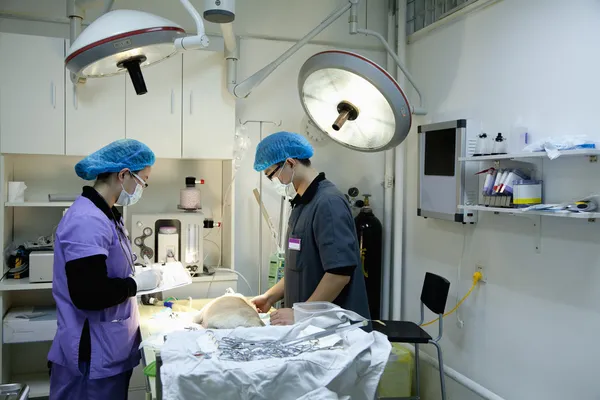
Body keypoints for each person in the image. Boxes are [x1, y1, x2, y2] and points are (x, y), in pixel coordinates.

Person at [48, 139, 162, 400]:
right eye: (143, 182)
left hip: (107, 349)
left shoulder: (108, 214)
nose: (142, 189)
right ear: (123, 175)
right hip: (91, 357)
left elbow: (107, 269)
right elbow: (90, 294)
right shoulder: (87, 219)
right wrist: (137, 284)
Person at [251, 131, 371, 326]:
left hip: (335, 329)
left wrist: (302, 313)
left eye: (272, 174)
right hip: (308, 326)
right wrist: (269, 297)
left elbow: (339, 273)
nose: (275, 181)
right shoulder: (301, 204)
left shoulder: (328, 203)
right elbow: (299, 268)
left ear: (290, 162)